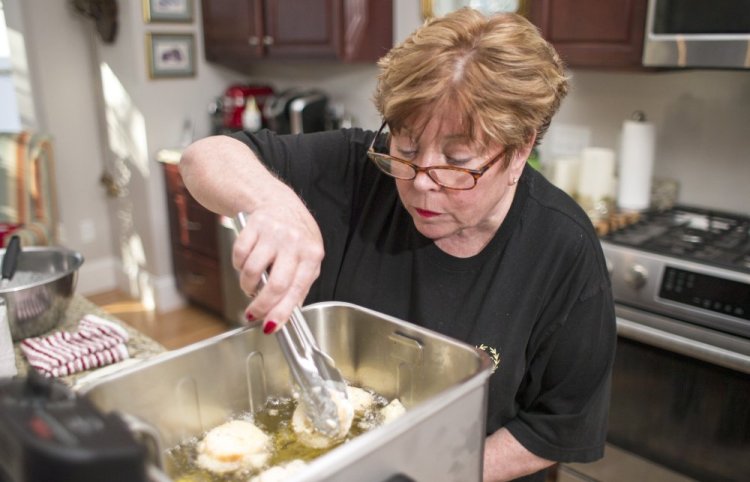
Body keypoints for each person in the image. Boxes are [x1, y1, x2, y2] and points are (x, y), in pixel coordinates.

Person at [180, 8, 616, 481]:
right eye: (406, 148)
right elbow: (205, 157)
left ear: (520, 150)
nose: (421, 183)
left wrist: (429, 475)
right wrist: (272, 201)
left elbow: (553, 428)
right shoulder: (356, 169)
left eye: (457, 160)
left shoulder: (561, 247)